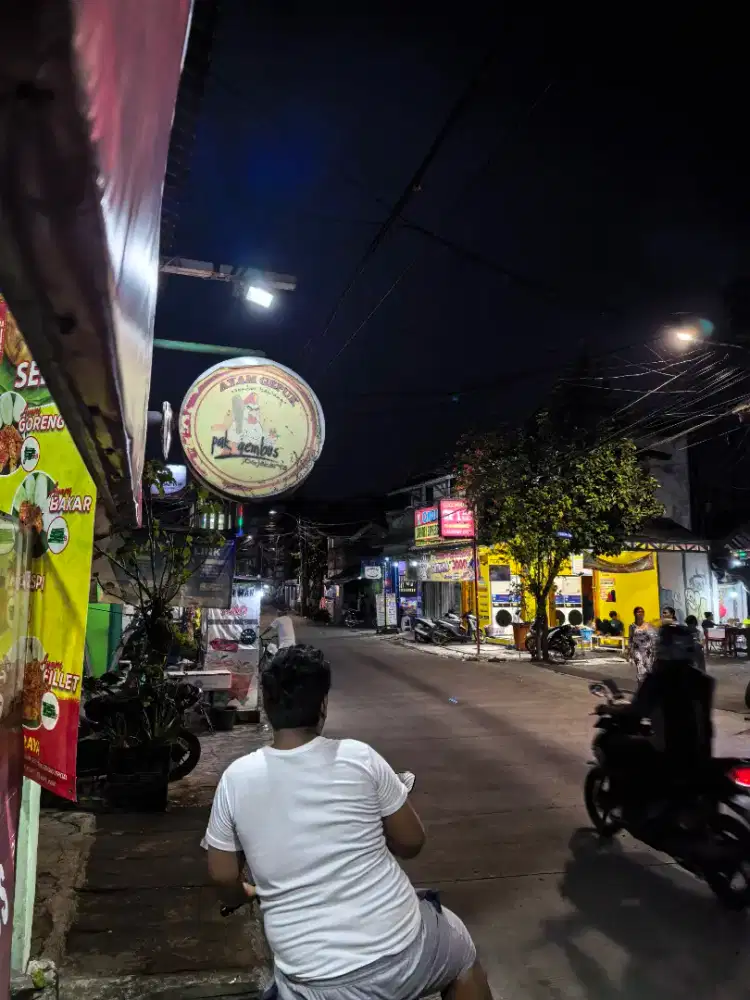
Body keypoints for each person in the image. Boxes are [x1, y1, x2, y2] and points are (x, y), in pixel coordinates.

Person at [204, 644, 492, 1000]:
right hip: (404, 952)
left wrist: (245, 893)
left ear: (267, 703)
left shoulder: (235, 779)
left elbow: (222, 875)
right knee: (460, 949)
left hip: (311, 981)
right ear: (323, 705)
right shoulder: (359, 758)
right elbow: (412, 843)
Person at [599, 624, 714, 817]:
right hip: (701, 753)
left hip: (668, 751)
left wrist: (610, 709)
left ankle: (627, 804)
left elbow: (636, 711)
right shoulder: (703, 680)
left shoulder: (659, 679)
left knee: (614, 744)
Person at [628, 606, 656, 681]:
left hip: (647, 651)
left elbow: (653, 638)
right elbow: (630, 639)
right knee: (640, 669)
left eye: (642, 612)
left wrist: (654, 650)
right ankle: (641, 687)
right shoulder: (632, 626)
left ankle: (649, 687)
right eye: (638, 612)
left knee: (649, 669)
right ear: (635, 614)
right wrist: (630, 652)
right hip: (637, 651)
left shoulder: (648, 625)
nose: (641, 613)